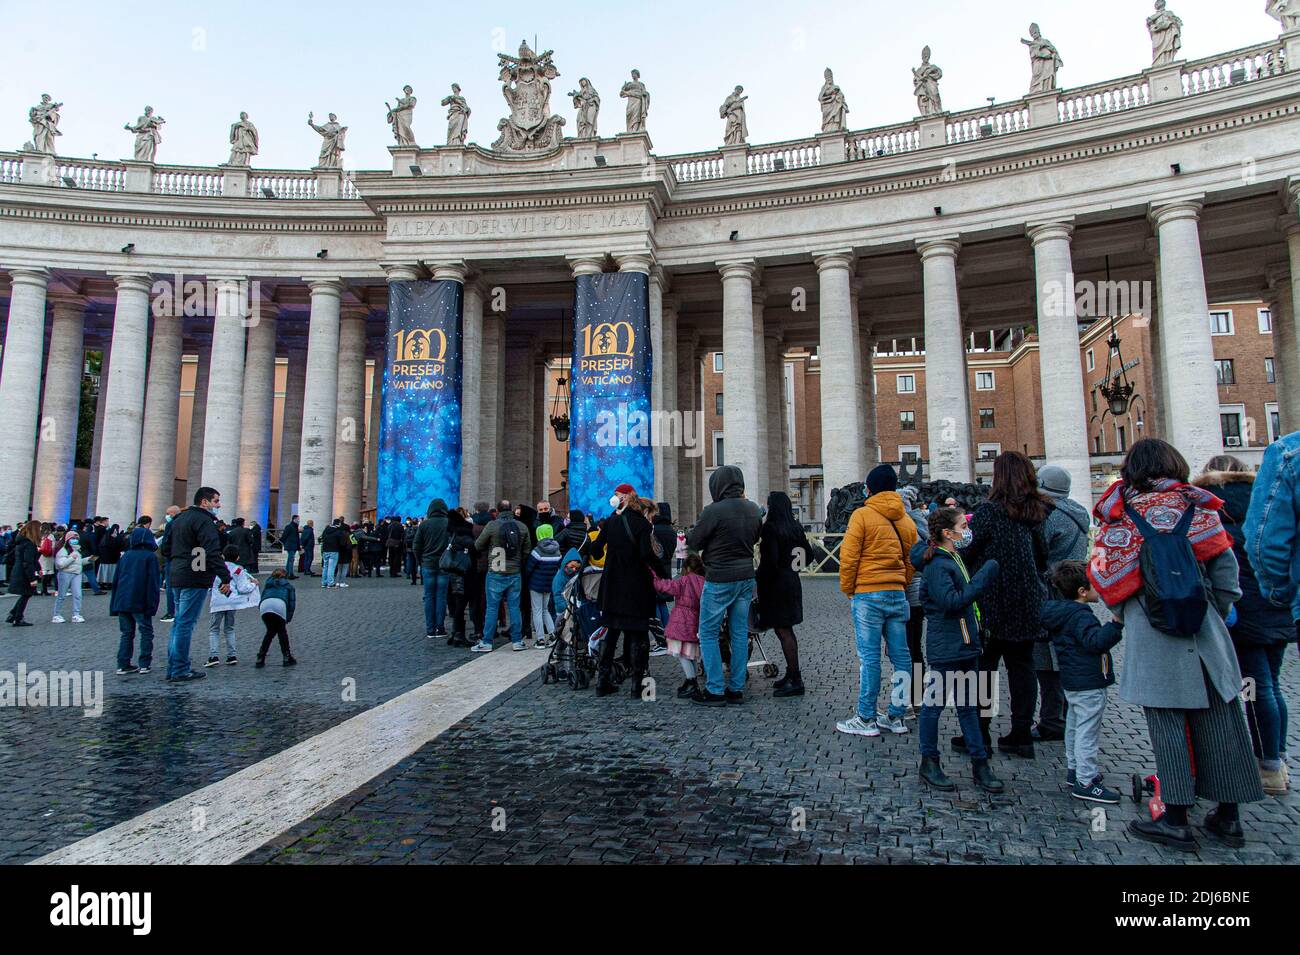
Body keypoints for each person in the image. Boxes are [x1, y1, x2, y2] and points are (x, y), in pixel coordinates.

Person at [1090, 438, 1263, 851]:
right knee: (1223, 720)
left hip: (1153, 635)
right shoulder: (1199, 507)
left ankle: (1176, 818)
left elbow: (1106, 579)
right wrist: (1211, 613)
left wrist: (1128, 612)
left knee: (1167, 724)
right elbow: (1227, 573)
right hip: (1204, 630)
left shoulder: (1124, 515)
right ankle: (1229, 816)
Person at [1199, 455, 1293, 796]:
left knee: (1254, 688)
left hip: (1244, 612)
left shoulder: (1213, 511)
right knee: (1274, 685)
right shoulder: (1268, 503)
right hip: (1277, 606)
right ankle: (1277, 758)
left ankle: (1265, 765)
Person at [960, 452, 1052, 759]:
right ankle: (1021, 734)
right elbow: (1041, 556)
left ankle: (980, 734)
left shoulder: (988, 512)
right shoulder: (1038, 512)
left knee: (984, 668)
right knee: (1022, 668)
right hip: (1027, 599)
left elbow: (968, 552)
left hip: (991, 600)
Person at [910, 507, 1004, 793]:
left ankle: (980, 762)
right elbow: (951, 601)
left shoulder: (953, 557)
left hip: (965, 642)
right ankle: (929, 761)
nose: (967, 530)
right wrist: (983, 578)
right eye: (963, 525)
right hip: (947, 644)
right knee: (933, 706)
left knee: (968, 707)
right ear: (947, 533)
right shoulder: (938, 565)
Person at [836, 464, 920, 737]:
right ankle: (896, 715)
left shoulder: (862, 515)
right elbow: (913, 561)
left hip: (868, 594)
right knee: (902, 657)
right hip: (897, 594)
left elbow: (849, 558)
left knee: (870, 657)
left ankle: (866, 717)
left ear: (869, 488)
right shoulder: (906, 520)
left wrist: (850, 589)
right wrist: (901, 582)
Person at [1041, 561, 1123, 804]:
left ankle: (1075, 770)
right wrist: (1116, 624)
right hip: (1088, 682)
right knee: (1087, 731)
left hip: (1072, 681)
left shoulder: (1061, 613)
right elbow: (1095, 642)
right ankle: (1085, 781)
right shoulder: (1081, 616)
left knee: (1075, 727)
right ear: (1082, 591)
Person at [687, 467, 763, 706]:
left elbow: (694, 541)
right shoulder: (753, 509)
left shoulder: (713, 511)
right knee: (739, 632)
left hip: (719, 577)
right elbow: (755, 537)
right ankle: (736, 687)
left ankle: (715, 689)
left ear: (717, 486)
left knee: (708, 632)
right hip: (745, 577)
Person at [1033, 464, 1093, 743]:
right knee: (1070, 653)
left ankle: (1051, 719)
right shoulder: (1080, 512)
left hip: (1051, 590)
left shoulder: (1051, 515)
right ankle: (1070, 714)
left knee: (1046, 658)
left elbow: (1038, 551)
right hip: (1075, 590)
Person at [589, 489, 667, 697]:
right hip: (636, 587)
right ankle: (637, 685)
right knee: (639, 635)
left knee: (611, 633)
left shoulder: (610, 523)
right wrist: (663, 574)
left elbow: (595, 550)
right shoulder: (642, 525)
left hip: (612, 586)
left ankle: (602, 682)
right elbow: (646, 554)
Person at [166, 487, 232, 682]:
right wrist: (225, 577)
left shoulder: (179, 519)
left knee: (178, 623)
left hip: (177, 575)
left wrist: (183, 559)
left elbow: (165, 548)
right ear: (205, 502)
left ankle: (174, 667)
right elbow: (212, 551)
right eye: (216, 501)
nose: (218, 505)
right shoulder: (204, 521)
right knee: (186, 624)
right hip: (194, 577)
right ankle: (179, 669)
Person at [757, 491, 813, 698]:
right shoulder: (795, 527)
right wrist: (793, 566)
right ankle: (791, 674)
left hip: (776, 585)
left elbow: (769, 562)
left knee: (783, 631)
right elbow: (809, 555)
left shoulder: (771, 528)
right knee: (785, 630)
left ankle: (796, 679)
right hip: (792, 581)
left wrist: (758, 578)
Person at [473, 503, 531, 652]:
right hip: (514, 572)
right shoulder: (522, 527)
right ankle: (517, 641)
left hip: (496, 571)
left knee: (492, 608)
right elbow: (527, 550)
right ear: (511, 511)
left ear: (497, 511)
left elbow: (478, 545)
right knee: (514, 607)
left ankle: (487, 641)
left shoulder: (492, 526)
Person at [110, 523, 161, 675]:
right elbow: (152, 582)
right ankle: (144, 663)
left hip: (122, 600)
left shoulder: (125, 556)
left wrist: (114, 604)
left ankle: (123, 664)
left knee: (127, 633)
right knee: (146, 632)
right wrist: (152, 604)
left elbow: (116, 580)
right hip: (140, 600)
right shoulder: (150, 557)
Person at [653, 552, 706, 698]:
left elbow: (668, 587)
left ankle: (691, 681)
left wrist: (654, 577)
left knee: (682, 654)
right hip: (695, 621)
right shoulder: (703, 581)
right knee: (690, 654)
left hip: (681, 621)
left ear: (687, 568)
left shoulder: (684, 580)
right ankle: (691, 680)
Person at [899, 485, 931, 707]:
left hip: (904, 590)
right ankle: (916, 693)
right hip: (919, 593)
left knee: (902, 646)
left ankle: (905, 697)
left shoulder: (903, 525)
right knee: (915, 644)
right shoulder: (922, 523)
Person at [206, 544, 258, 666]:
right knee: (229, 628)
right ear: (237, 558)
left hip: (217, 602)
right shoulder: (238, 570)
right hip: (232, 602)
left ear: (223, 556)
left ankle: (213, 656)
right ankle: (232, 655)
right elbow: (243, 588)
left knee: (214, 629)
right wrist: (253, 584)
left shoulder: (215, 567)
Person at [413, 498, 451, 638]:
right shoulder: (448, 524)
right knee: (441, 596)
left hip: (428, 564)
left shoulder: (424, 525)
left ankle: (430, 629)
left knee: (429, 596)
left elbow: (416, 546)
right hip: (444, 565)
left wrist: (421, 561)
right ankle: (440, 628)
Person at [443, 508, 478, 647]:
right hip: (465, 574)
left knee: (457, 604)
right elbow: (475, 552)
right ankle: (459, 635)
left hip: (453, 573)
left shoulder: (451, 535)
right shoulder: (465, 535)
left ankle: (455, 632)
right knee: (461, 604)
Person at [524, 523, 562, 647]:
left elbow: (529, 568)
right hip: (549, 585)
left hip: (536, 585)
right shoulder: (557, 550)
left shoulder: (537, 551)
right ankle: (552, 634)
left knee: (537, 611)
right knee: (545, 610)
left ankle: (540, 639)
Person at [257, 569, 298, 667]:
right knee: (282, 632)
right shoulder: (289, 587)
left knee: (270, 632)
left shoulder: (267, 584)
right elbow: (292, 604)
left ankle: (261, 656)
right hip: (279, 605)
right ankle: (287, 656)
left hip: (265, 606)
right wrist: (288, 618)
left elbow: (262, 597)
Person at [6, 521, 42, 626]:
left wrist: (38, 568)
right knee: (26, 594)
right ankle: (17, 617)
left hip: (20, 571)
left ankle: (14, 614)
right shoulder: (29, 544)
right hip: (24, 573)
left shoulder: (22, 541)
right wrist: (32, 578)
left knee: (26, 594)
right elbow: (28, 562)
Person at [51, 528, 86, 623]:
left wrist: (87, 560)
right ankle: (56, 614)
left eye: (76, 538)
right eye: (73, 538)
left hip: (76, 573)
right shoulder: (63, 550)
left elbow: (78, 562)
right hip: (65, 573)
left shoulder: (77, 550)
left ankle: (76, 614)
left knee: (78, 595)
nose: (75, 540)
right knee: (61, 595)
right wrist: (71, 558)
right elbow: (60, 564)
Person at [319, 517, 346, 588]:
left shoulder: (326, 530)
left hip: (325, 550)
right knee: (331, 567)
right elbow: (342, 543)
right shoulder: (338, 531)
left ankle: (324, 582)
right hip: (334, 550)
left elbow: (322, 538)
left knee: (325, 567)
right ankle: (330, 583)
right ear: (339, 524)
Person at [281, 514, 301, 579]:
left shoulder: (295, 526)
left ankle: (288, 573)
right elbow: (284, 536)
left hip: (294, 545)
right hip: (290, 545)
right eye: (298, 519)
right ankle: (290, 574)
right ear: (294, 519)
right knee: (291, 560)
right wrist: (285, 543)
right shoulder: (289, 526)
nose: (299, 520)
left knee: (290, 559)